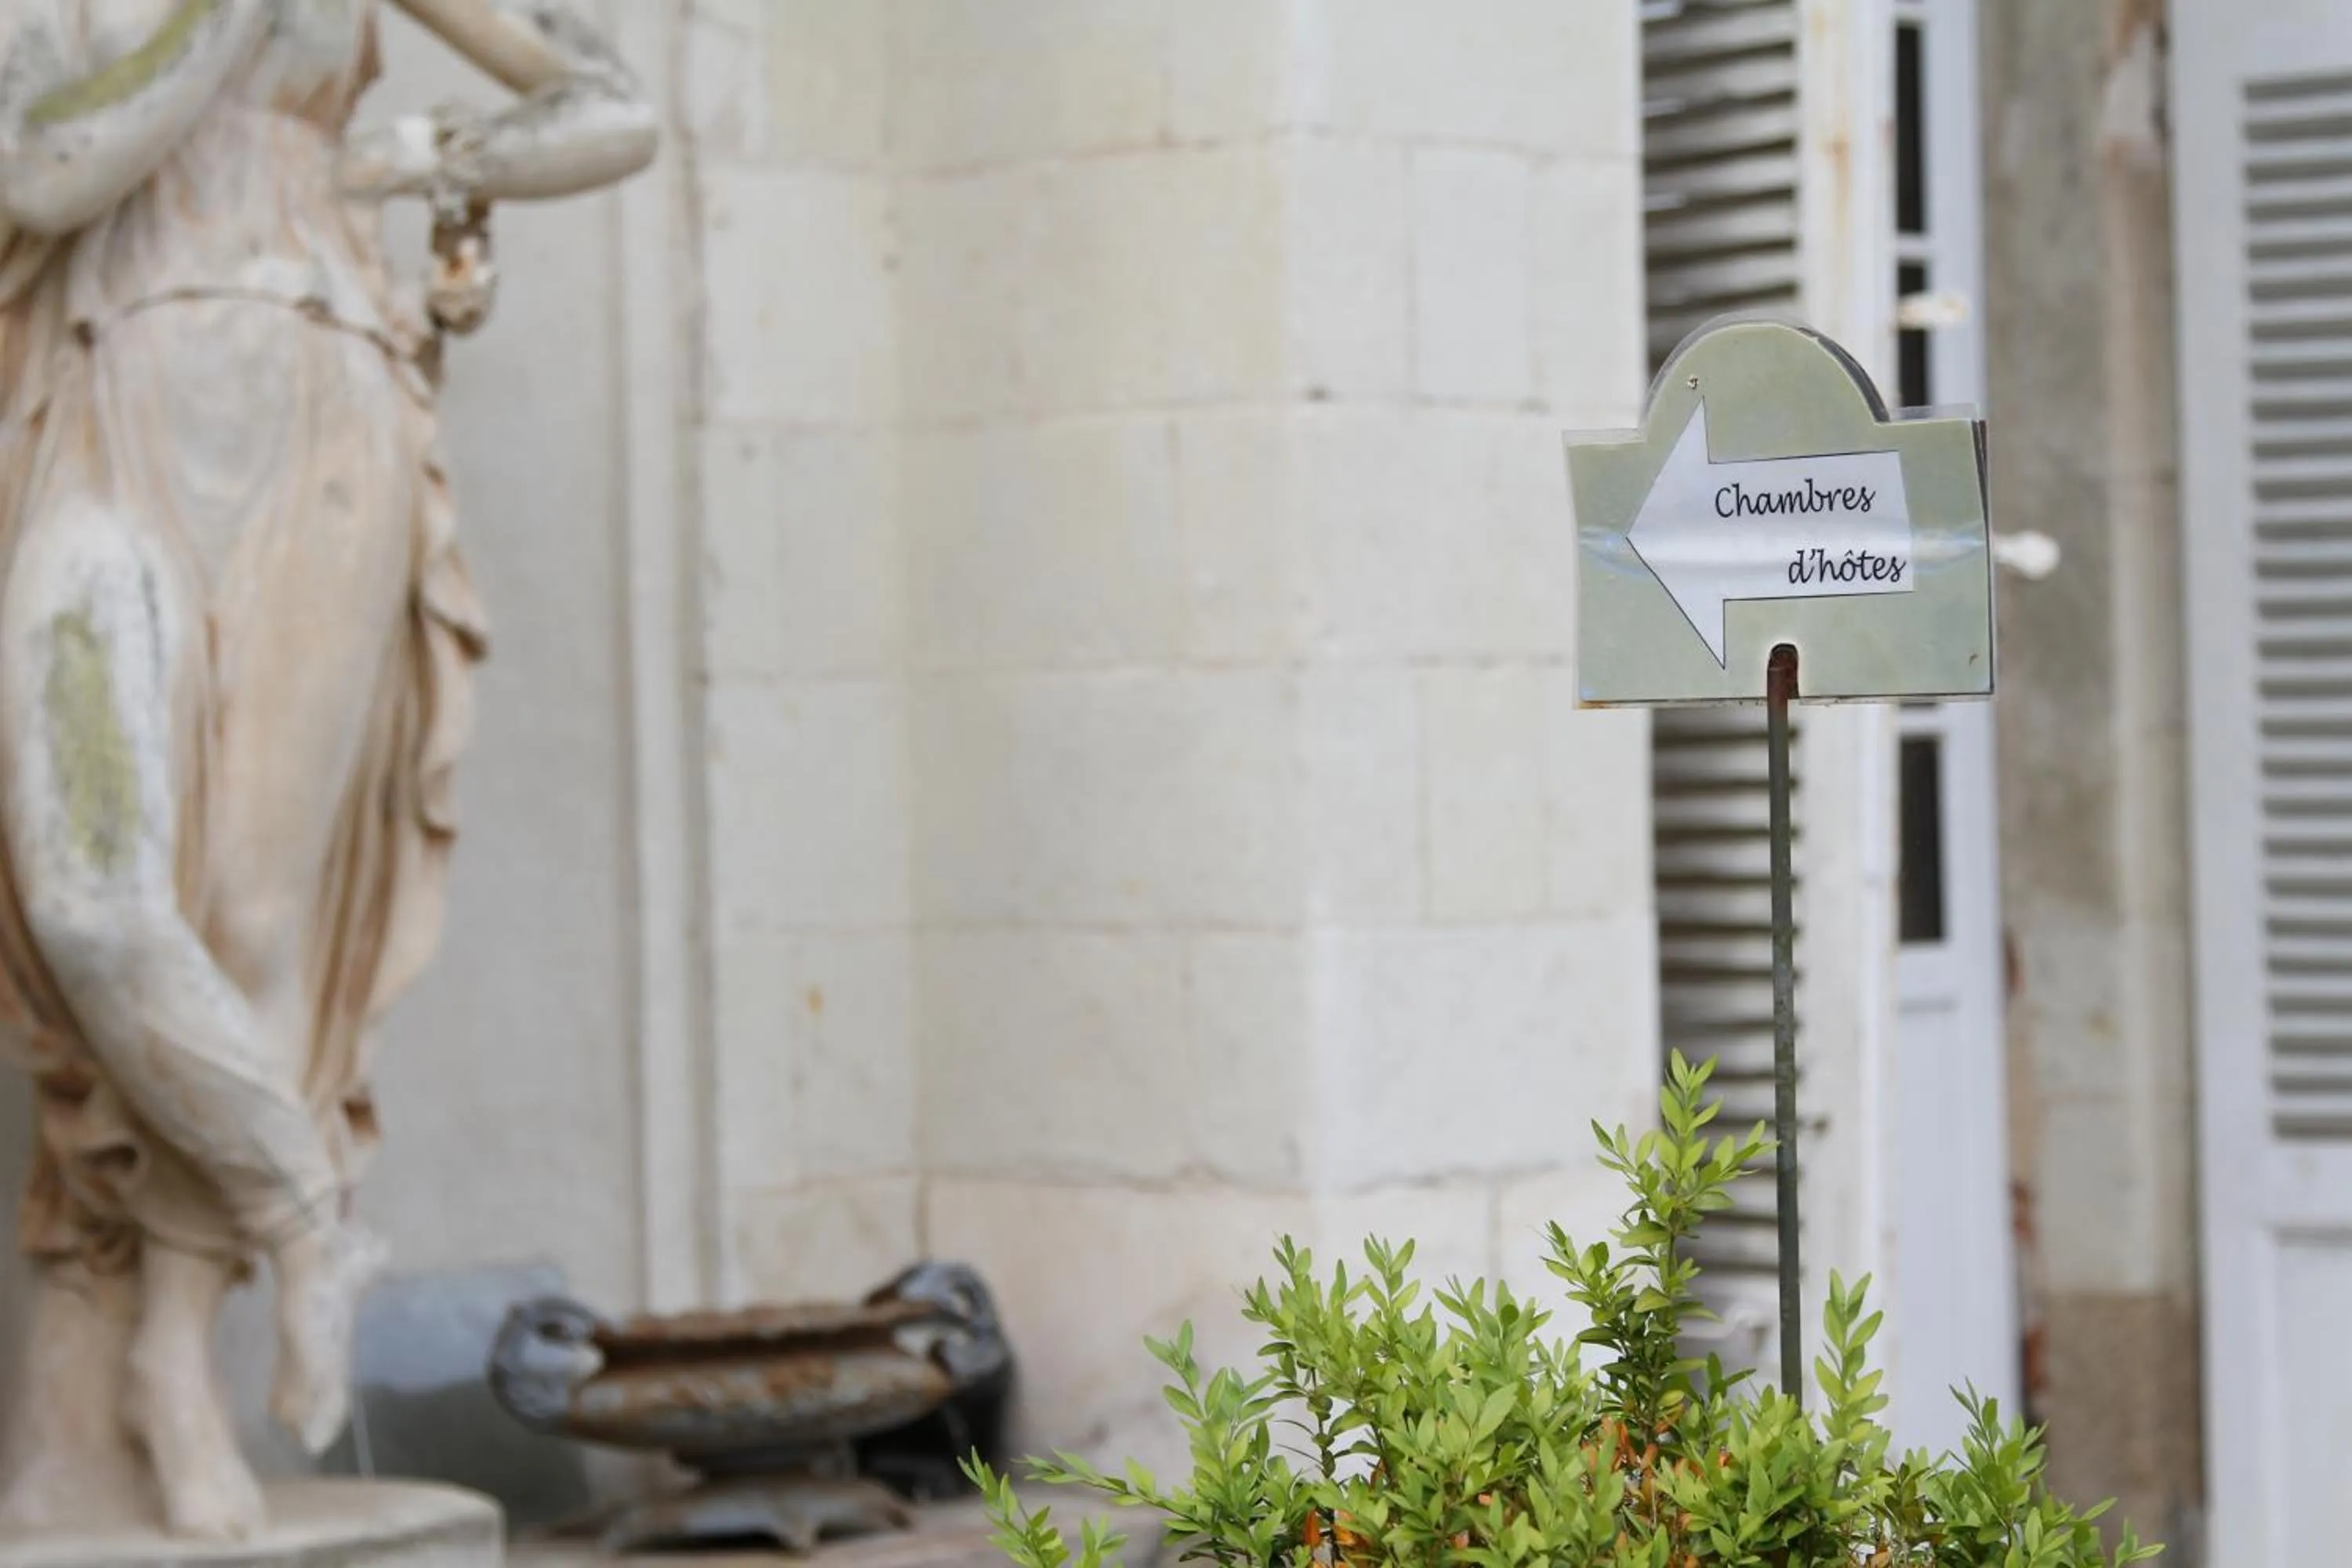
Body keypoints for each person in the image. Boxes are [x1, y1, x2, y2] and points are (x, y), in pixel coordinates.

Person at [0, 0, 654, 1537]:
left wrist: (422, 154)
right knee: (91, 893)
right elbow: (46, 169)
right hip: (109, 391)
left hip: (324, 397)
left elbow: (612, 104)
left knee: (251, 913)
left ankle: (175, 1361)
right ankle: (304, 1217)